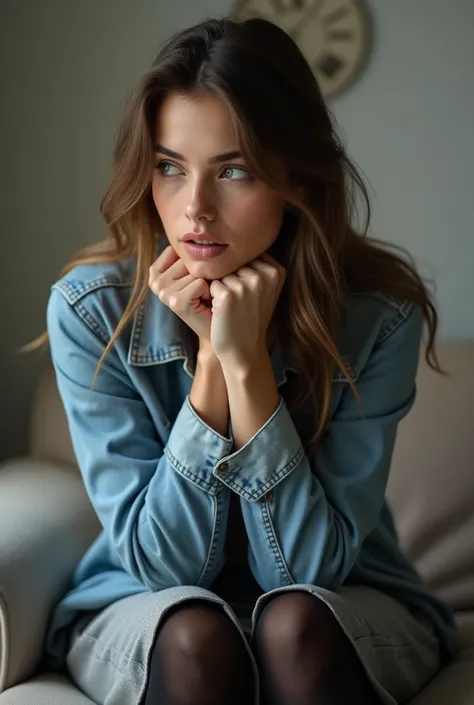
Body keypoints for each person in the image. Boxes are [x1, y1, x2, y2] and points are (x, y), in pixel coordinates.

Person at [37, 15, 456, 705]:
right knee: (195, 634)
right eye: (170, 167)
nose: (194, 209)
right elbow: (162, 568)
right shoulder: (90, 311)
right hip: (148, 603)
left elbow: (307, 567)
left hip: (342, 601)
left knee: (293, 623)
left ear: (297, 178)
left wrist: (248, 363)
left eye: (232, 170)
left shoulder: (378, 316)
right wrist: (210, 359)